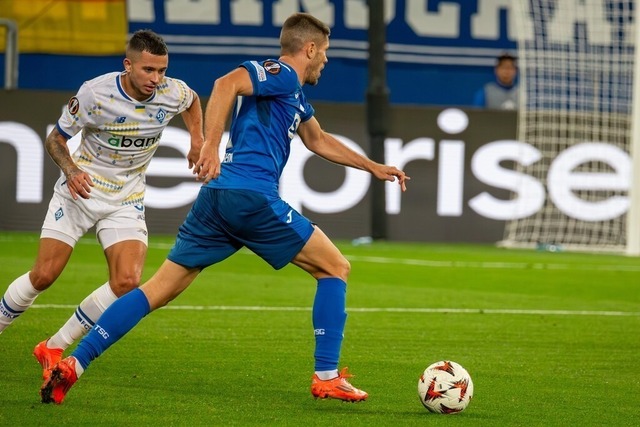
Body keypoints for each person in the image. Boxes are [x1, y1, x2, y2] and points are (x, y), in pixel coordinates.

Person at [39, 12, 409, 405]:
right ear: (310, 48)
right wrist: (210, 145)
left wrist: (373, 166)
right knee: (335, 267)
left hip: (216, 200)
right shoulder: (281, 73)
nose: (326, 60)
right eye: (325, 52)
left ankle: (74, 363)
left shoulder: (294, 95)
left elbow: (318, 140)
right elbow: (226, 83)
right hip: (251, 197)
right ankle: (327, 376)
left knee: (155, 291)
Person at [0, 30, 204, 381]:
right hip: (80, 192)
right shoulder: (95, 93)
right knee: (44, 275)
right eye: (148, 70)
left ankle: (53, 346)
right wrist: (71, 170)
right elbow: (56, 138)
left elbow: (193, 100)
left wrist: (198, 140)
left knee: (127, 281)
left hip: (126, 197)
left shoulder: (172, 91)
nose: (156, 79)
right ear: (128, 65)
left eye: (162, 70)